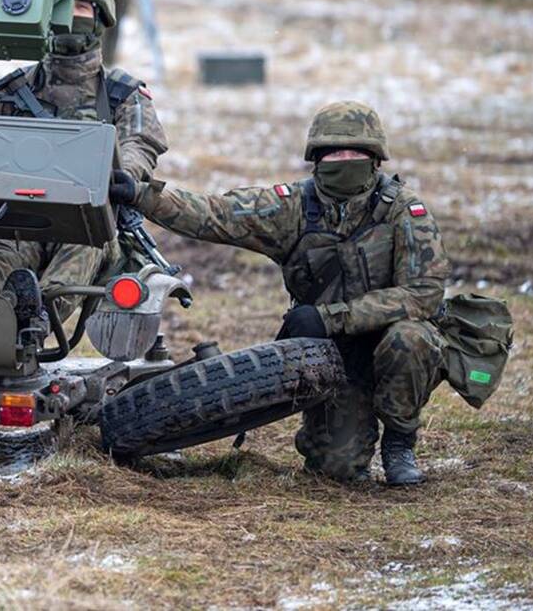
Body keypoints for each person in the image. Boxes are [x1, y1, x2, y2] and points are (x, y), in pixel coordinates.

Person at [110, 101, 451, 485]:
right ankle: (337, 425)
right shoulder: (292, 207)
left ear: (375, 159)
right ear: (316, 159)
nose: (344, 160)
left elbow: (423, 293)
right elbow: (217, 214)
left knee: (410, 338)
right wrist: (141, 195)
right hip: (329, 355)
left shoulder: (403, 211)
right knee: (335, 471)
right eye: (333, 153)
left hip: (389, 341)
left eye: (355, 152)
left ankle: (400, 442)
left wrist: (330, 317)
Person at [0, 0, 169, 332]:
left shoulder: (123, 94)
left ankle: (40, 318)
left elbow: (140, 144)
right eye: (60, 5)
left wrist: (124, 176)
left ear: (101, 18)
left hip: (87, 224)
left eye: (81, 7)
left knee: (85, 248)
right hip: (19, 218)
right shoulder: (14, 91)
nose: (69, 15)